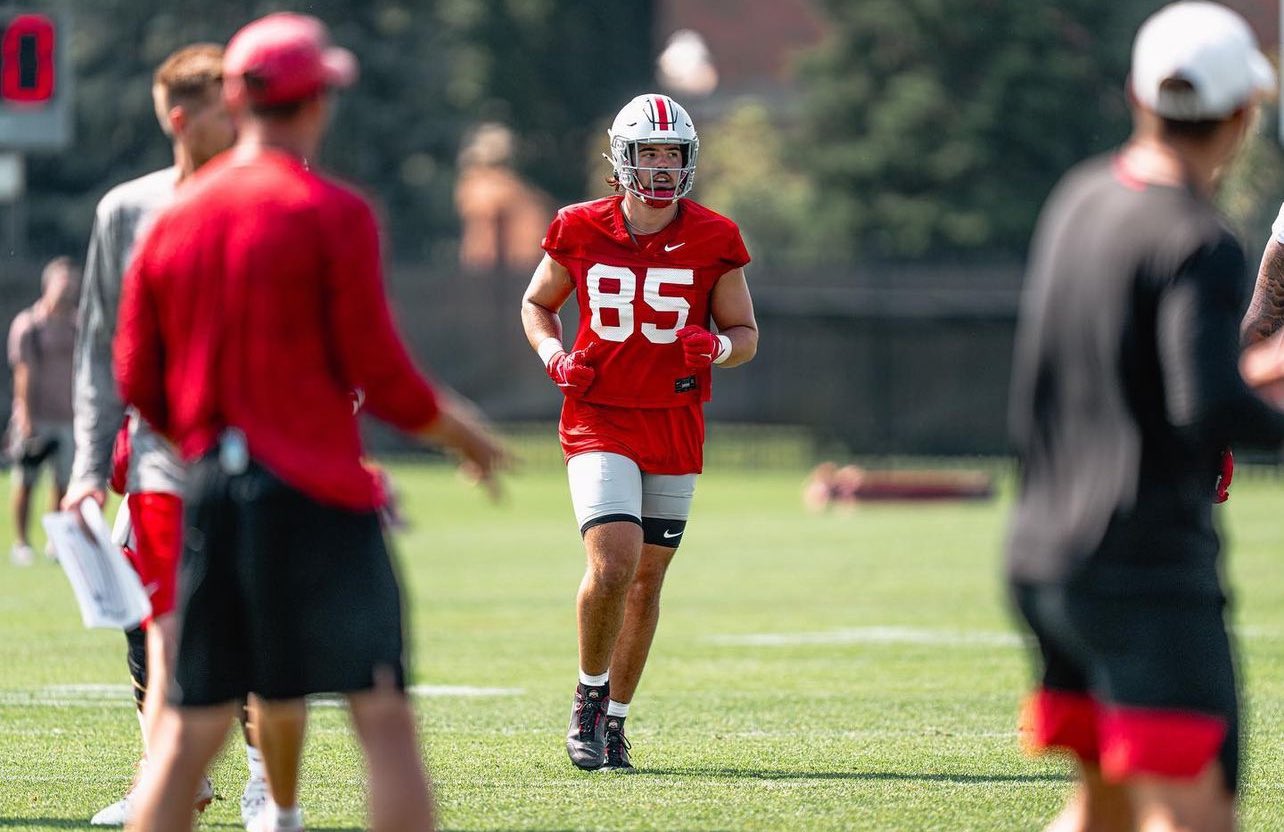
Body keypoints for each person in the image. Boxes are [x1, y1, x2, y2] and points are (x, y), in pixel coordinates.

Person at [114, 14, 507, 832]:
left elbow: (135, 378)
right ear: (318, 102)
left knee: (189, 734)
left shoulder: (174, 220)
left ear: (235, 97)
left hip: (214, 492)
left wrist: (202, 439)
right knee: (383, 719)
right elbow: (385, 377)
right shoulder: (333, 211)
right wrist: (467, 437)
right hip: (322, 495)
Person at [1005, 4, 1284, 831]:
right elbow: (1204, 407)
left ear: (1136, 94)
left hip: (1045, 553)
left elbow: (1139, 369)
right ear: (1242, 115)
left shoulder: (1081, 199)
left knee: (1103, 810)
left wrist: (1257, 370)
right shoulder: (1198, 237)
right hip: (1143, 569)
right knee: (1194, 815)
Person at [520, 92, 758, 771]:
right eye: (649, 153)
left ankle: (616, 721)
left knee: (647, 583)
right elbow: (538, 304)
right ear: (621, 159)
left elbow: (744, 334)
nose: (660, 166)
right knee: (614, 560)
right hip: (599, 418)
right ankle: (588, 700)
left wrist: (714, 350)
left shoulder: (716, 236)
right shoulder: (578, 226)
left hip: (675, 421)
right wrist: (554, 357)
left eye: (672, 154)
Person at [59, 44, 258, 827]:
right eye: (223, 107)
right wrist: (83, 466)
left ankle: (262, 783)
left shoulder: (266, 195)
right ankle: (168, 779)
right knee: (154, 624)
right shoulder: (127, 210)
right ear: (182, 117)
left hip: (257, 445)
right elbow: (98, 353)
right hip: (159, 454)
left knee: (247, 611)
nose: (241, 121)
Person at [7, 257, 78, 566]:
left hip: (69, 415)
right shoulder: (29, 325)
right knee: (27, 479)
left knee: (62, 483)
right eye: (63, 281)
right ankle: (21, 542)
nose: (68, 288)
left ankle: (55, 541)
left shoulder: (78, 324)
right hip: (36, 416)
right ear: (48, 284)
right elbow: (23, 372)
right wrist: (25, 417)